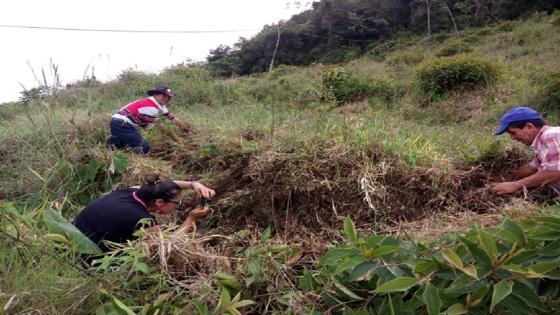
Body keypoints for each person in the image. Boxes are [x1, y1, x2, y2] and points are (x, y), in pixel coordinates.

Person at [74, 173, 215, 253]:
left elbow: (160, 185)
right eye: (176, 203)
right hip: (87, 260)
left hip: (69, 240)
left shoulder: (132, 191)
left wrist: (193, 184)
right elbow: (164, 247)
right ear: (159, 202)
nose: (178, 205)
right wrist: (191, 219)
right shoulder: (144, 220)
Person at [490, 106, 560, 194]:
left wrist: (516, 185)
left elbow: (556, 171)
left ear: (529, 127)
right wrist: (511, 177)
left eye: (513, 132)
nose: (512, 138)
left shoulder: (550, 135)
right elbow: (532, 167)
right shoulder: (541, 143)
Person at [107, 85, 193, 154]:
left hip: (121, 123)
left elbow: (173, 119)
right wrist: (179, 140)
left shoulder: (160, 105)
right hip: (122, 124)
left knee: (118, 147)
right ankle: (129, 158)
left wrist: (187, 129)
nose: (167, 99)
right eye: (164, 96)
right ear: (155, 95)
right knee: (144, 148)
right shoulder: (150, 107)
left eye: (169, 97)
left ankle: (114, 143)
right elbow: (160, 127)